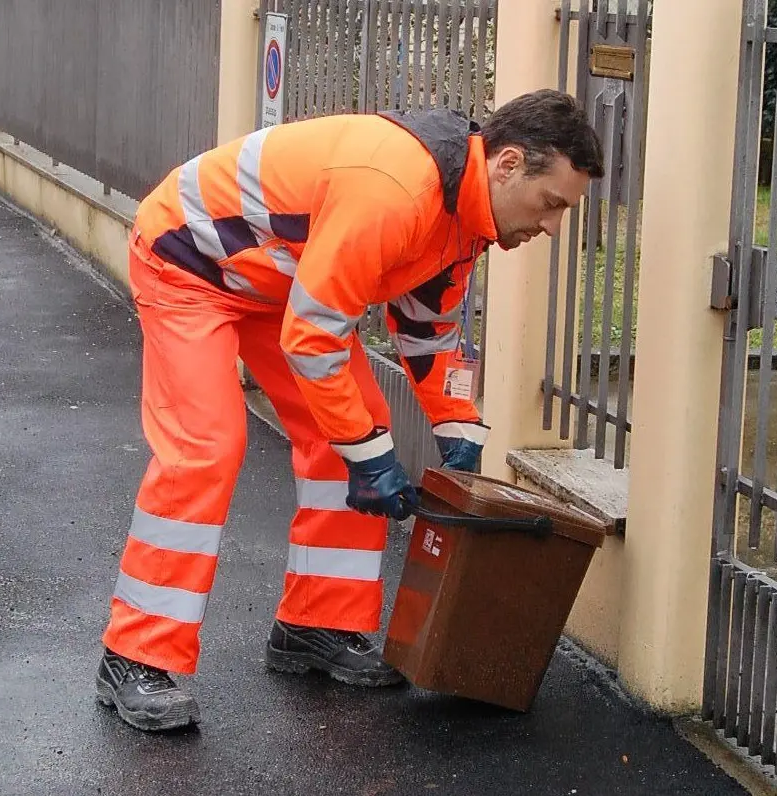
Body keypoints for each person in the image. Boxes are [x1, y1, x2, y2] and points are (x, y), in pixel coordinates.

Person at [94, 88, 603, 732]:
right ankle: (135, 656)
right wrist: (371, 456)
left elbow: (430, 333)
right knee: (207, 448)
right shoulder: (397, 190)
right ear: (505, 165)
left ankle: (317, 624)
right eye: (552, 203)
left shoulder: (465, 216)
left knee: (353, 436)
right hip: (190, 262)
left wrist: (459, 429)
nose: (553, 226)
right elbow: (313, 337)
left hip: (282, 284)